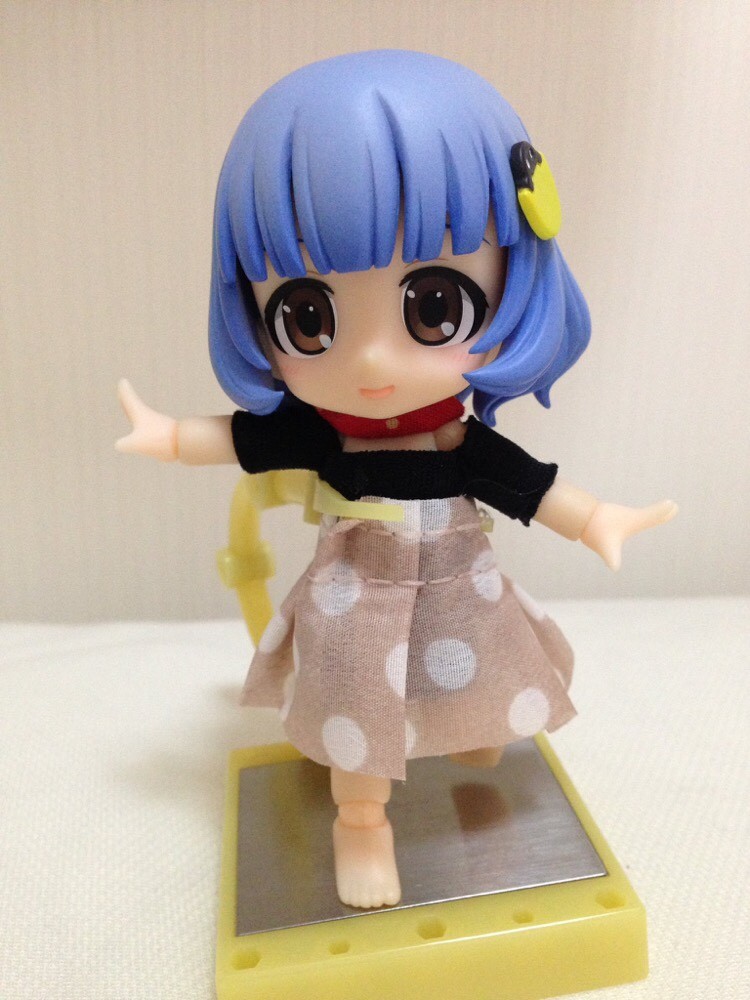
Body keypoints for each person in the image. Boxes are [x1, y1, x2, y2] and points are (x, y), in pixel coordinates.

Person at [118, 50, 676, 909]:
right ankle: (361, 826)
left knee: (480, 675)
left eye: (432, 308)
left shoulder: (451, 434)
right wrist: (167, 436)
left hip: (458, 587)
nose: (372, 362)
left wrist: (594, 516)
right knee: (357, 719)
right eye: (308, 318)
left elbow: (520, 481)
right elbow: (242, 438)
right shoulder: (321, 431)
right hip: (355, 598)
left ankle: (471, 735)